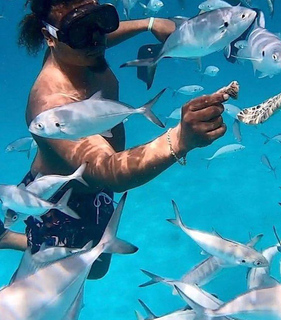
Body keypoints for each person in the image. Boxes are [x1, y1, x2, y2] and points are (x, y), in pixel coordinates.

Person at [16, 0, 228, 279]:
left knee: (101, 259)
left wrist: (147, 24)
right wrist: (179, 139)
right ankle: (11, 240)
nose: (97, 40)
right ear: (49, 38)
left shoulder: (76, 49)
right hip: (63, 194)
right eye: (81, 32)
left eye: (100, 22)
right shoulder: (53, 107)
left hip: (95, 179)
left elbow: (93, 36)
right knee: (88, 271)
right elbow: (110, 170)